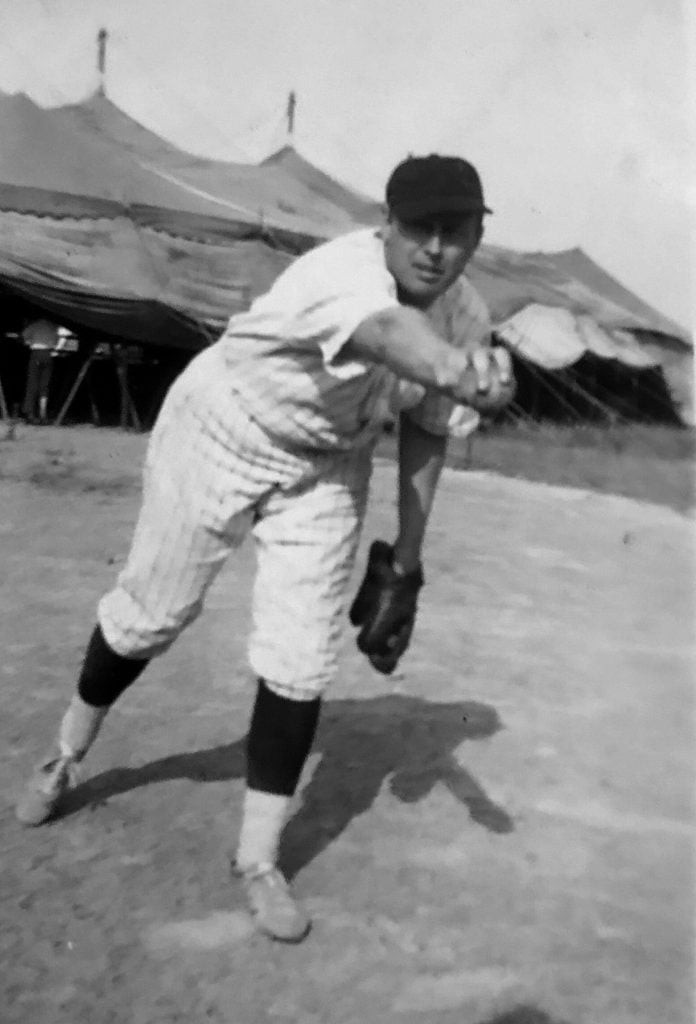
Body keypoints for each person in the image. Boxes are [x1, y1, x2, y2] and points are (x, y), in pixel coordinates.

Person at [15, 154, 515, 942]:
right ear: (386, 224)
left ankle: (258, 857)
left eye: (457, 232)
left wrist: (407, 564)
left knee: (301, 657)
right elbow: (393, 336)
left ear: (479, 236)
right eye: (419, 227)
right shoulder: (345, 273)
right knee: (151, 617)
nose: (435, 248)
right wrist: (457, 371)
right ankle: (67, 749)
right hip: (225, 426)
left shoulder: (467, 313)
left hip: (324, 464)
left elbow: (424, 435)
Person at [20, 317, 61, 423]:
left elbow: (24, 338)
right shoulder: (52, 327)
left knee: (32, 383)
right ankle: (43, 414)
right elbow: (56, 342)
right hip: (48, 354)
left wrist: (30, 342)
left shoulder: (34, 326)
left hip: (36, 353)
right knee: (44, 385)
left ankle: (30, 413)